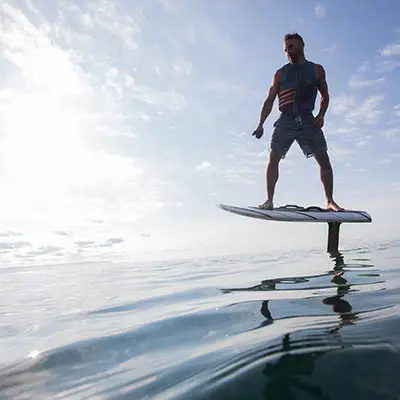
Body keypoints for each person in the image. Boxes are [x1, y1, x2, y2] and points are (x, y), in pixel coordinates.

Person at [252, 32, 343, 211]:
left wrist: (321, 114)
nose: (289, 52)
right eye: (286, 50)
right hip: (285, 120)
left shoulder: (316, 69)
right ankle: (269, 200)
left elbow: (325, 95)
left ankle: (330, 201)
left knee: (324, 159)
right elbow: (269, 99)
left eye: (292, 47)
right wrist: (261, 123)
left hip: (308, 120)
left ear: (302, 45)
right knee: (273, 158)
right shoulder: (280, 74)